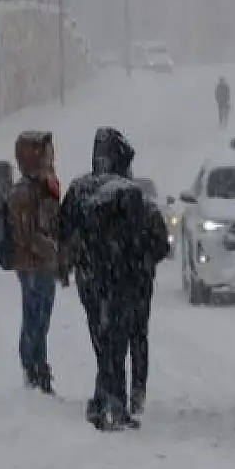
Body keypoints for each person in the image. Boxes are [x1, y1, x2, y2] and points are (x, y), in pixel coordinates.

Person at [59, 127, 170, 431]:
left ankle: (103, 401)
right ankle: (113, 404)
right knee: (118, 342)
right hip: (121, 281)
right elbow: (146, 243)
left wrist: (73, 263)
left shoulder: (80, 188)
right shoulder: (131, 195)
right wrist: (139, 266)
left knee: (102, 341)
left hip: (90, 278)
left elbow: (63, 230)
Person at [6, 131, 65, 394]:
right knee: (34, 318)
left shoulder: (44, 187)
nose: (51, 158)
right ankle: (33, 368)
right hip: (32, 266)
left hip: (44, 266)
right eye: (46, 153)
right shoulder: (23, 193)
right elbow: (27, 236)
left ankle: (38, 366)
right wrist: (52, 251)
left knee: (41, 319)